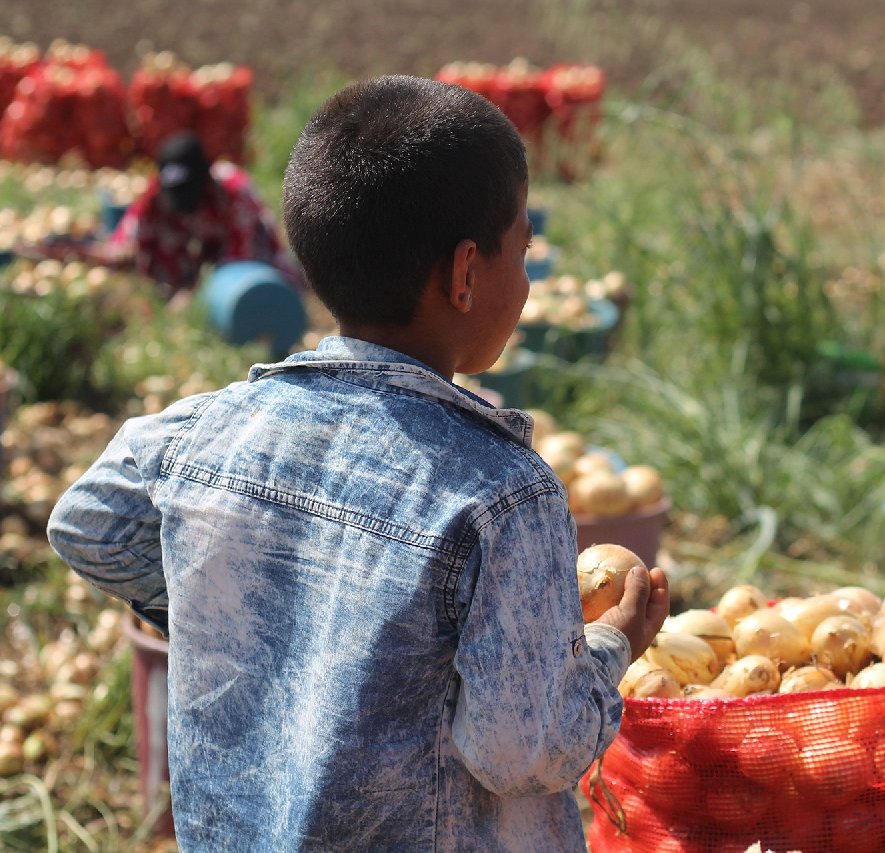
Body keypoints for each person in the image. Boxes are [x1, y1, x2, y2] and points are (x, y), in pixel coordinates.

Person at [46, 76, 669, 850]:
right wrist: (610, 648)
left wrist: (263, 612)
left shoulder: (206, 432)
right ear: (466, 272)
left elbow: (87, 521)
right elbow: (522, 750)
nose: (528, 275)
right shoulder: (501, 493)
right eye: (523, 249)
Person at [25, 132, 303, 298]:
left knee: (270, 282)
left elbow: (240, 253)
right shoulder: (156, 193)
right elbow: (132, 237)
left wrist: (197, 292)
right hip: (192, 250)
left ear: (205, 180)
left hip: (242, 251)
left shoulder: (234, 194)